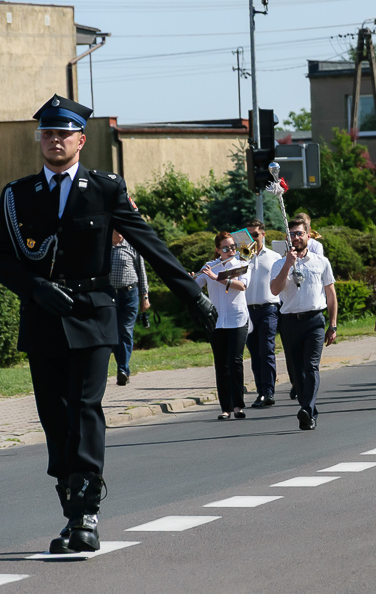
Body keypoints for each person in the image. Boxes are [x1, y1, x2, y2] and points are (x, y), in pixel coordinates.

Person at [0, 94, 215, 554]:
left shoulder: (104, 188)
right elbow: (3, 261)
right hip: (43, 319)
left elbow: (149, 243)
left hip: (94, 314)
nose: (54, 140)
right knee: (54, 419)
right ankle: (70, 509)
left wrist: (193, 294)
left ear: (81, 139)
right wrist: (34, 289)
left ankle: (87, 514)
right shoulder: (17, 196)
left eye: (63, 133)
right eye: (47, 133)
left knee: (85, 408)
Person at [270, 219, 338, 431]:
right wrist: (288, 265)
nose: (296, 237)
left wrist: (333, 325)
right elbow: (274, 290)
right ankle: (308, 411)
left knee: (310, 366)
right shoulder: (279, 264)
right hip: (290, 321)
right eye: (292, 234)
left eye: (300, 233)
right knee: (295, 371)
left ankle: (307, 409)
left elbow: (331, 294)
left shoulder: (321, 262)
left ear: (308, 235)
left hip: (314, 321)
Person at [195, 232, 251, 421]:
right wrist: (190, 279)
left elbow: (241, 286)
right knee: (221, 363)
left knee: (235, 361)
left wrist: (217, 277)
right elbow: (196, 287)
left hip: (237, 319)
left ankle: (238, 406)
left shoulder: (241, 264)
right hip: (216, 321)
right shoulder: (209, 266)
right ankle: (225, 408)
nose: (231, 251)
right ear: (218, 250)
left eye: (233, 247)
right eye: (226, 248)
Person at [243, 220, 281, 408]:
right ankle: (260, 392)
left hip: (269, 308)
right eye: (249, 235)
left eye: (255, 235)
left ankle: (269, 391)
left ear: (263, 235)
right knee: (255, 353)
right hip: (248, 310)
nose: (252, 239)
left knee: (266, 349)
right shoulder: (243, 258)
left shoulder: (274, 257)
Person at [110, 229, 150, 386]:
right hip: (110, 295)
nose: (120, 233)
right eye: (117, 229)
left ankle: (122, 369)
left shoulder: (131, 246)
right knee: (113, 333)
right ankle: (123, 369)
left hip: (130, 293)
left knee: (126, 330)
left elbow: (142, 272)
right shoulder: (104, 247)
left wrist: (144, 297)